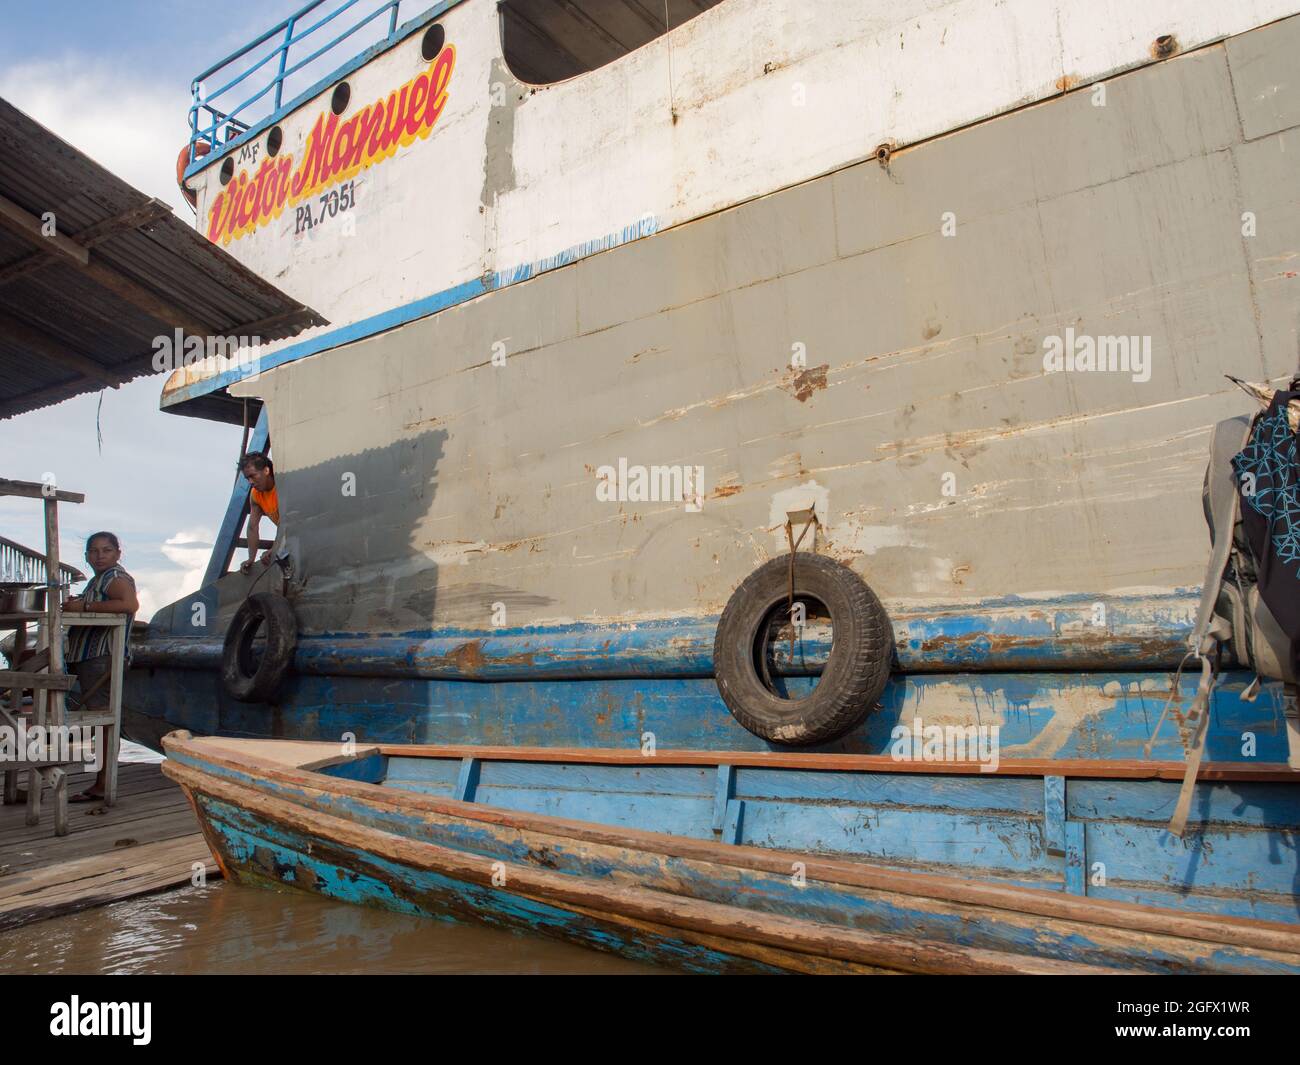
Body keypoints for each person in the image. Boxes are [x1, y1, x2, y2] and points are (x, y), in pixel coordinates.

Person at [64, 531, 138, 803]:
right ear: (86, 557)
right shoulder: (99, 580)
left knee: (103, 722)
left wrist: (83, 605)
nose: (100, 556)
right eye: (94, 552)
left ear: (118, 553)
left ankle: (103, 783)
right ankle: (101, 780)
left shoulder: (115, 578)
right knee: (101, 721)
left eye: (106, 550)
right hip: (90, 657)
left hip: (101, 657)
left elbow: (129, 604)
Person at [239, 451, 279, 574]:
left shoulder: (282, 486)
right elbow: (252, 527)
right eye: (247, 478)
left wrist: (275, 548)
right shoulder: (256, 495)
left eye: (253, 476)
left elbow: (289, 522)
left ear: (266, 471)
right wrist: (251, 558)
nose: (250, 482)